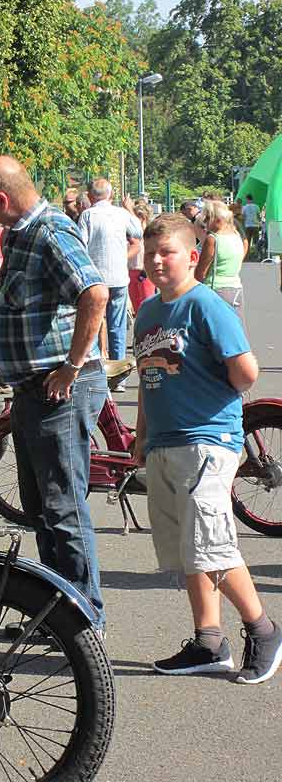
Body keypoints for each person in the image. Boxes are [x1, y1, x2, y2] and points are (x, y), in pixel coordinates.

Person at [133, 212, 282, 683]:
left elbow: (246, 371)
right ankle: (208, 642)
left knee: (211, 545)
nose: (157, 261)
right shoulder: (148, 312)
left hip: (207, 440)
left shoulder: (205, 305)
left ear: (193, 257)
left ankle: (263, 629)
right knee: (188, 549)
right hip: (164, 443)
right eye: (151, 253)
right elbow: (147, 378)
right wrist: (141, 435)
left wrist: (213, 399)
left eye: (168, 252)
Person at [0, 155, 109, 633]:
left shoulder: (49, 231)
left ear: (2, 198)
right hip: (35, 391)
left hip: (59, 391)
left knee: (62, 507)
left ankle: (84, 623)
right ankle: (57, 615)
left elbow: (95, 293)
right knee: (43, 510)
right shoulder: (24, 232)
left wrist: (71, 367)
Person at [78, 178, 142, 360]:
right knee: (117, 326)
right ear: (111, 194)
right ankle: (118, 366)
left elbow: (81, 244)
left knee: (94, 322)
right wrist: (129, 209)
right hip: (119, 277)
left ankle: (96, 364)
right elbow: (138, 233)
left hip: (95, 279)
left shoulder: (87, 215)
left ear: (90, 196)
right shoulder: (121, 214)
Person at [194, 199, 247, 320]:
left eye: (207, 218)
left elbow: (201, 272)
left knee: (212, 327)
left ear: (217, 219)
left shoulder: (213, 239)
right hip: (236, 288)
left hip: (215, 289)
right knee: (235, 326)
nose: (205, 222)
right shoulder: (236, 236)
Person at [128, 201, 155, 314]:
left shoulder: (149, 233)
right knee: (136, 307)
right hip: (131, 271)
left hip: (144, 273)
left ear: (143, 218)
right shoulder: (132, 234)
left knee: (147, 305)